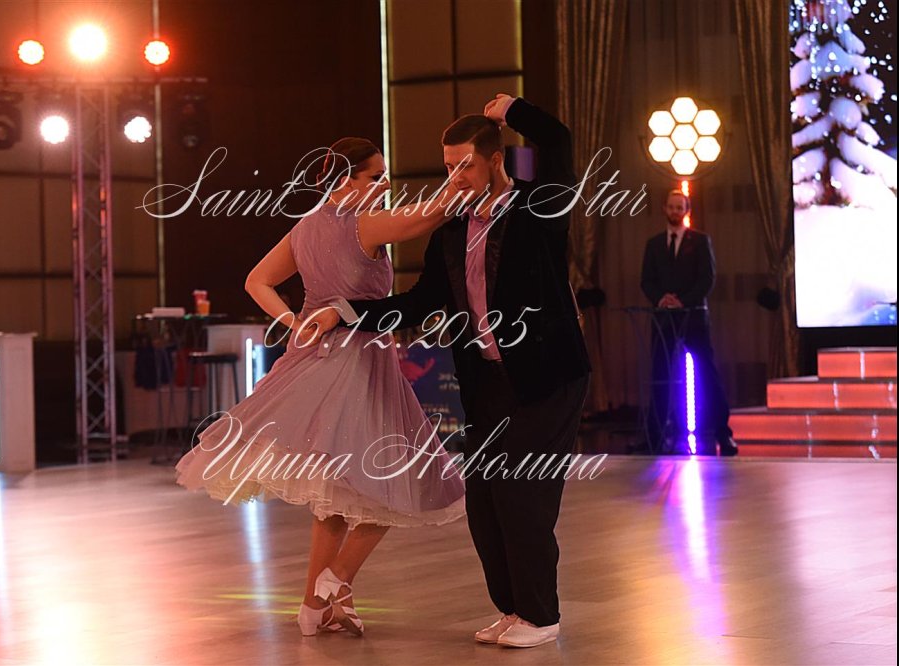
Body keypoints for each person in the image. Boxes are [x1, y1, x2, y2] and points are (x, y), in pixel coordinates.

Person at [314, 95, 591, 648]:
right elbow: (418, 302)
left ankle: (542, 616)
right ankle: (513, 609)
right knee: (484, 504)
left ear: (495, 160)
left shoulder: (540, 207)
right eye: (447, 166)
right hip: (487, 382)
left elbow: (557, 141)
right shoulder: (451, 232)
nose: (455, 176)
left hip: (548, 378)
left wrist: (512, 110)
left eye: (465, 164)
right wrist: (343, 313)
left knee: (521, 492)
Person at [175, 137, 467, 637]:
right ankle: (337, 580)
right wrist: (462, 177)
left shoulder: (306, 227)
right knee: (400, 477)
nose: (384, 185)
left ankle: (316, 606)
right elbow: (429, 216)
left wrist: (293, 321)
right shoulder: (364, 224)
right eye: (375, 177)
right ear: (346, 181)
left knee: (336, 494)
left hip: (314, 359)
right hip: (359, 365)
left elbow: (256, 281)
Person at [639, 190, 738, 456]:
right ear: (664, 208)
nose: (675, 211)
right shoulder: (653, 244)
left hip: (693, 318)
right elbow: (646, 280)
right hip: (663, 319)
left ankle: (723, 434)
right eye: (671, 207)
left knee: (707, 374)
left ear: (687, 210)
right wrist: (661, 299)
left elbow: (707, 279)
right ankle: (655, 437)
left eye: (679, 207)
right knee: (660, 375)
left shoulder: (701, 241)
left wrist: (682, 301)